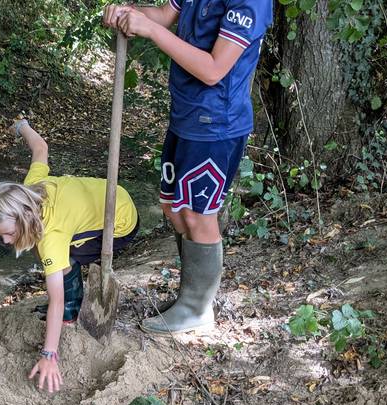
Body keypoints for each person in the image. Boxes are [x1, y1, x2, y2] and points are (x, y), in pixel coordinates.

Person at [103, 0, 272, 335]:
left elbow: (213, 69)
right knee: (173, 207)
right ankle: (188, 297)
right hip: (187, 118)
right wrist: (131, 14)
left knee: (197, 214)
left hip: (216, 125)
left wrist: (150, 31)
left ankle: (197, 310)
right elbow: (166, 15)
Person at [0, 120, 139, 393]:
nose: (5, 241)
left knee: (64, 261)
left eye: (8, 233)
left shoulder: (51, 238)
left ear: (26, 217)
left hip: (120, 222)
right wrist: (22, 127)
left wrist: (49, 354)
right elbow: (40, 148)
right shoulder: (32, 187)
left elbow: (55, 298)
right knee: (57, 256)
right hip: (112, 195)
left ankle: (71, 314)